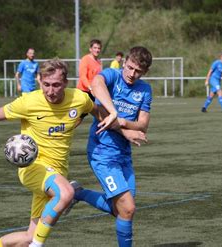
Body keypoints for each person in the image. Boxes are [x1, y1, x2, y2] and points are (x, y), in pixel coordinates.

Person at [0, 59, 103, 247]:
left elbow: (96, 111)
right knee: (65, 192)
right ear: (40, 81)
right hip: (32, 167)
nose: (51, 91)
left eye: (56, 85)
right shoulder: (29, 102)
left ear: (65, 83)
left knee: (29, 237)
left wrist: (121, 128)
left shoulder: (79, 98)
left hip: (57, 172)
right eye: (46, 85)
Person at [67, 46, 153, 247]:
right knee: (128, 208)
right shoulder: (112, 76)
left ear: (144, 72)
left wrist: (118, 120)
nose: (132, 74)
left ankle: (78, 193)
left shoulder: (145, 90)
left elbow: (142, 125)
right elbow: (96, 85)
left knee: (121, 211)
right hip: (102, 153)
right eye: (130, 67)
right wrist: (114, 114)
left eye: (137, 71)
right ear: (125, 62)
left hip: (124, 154)